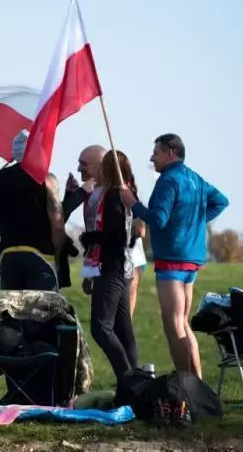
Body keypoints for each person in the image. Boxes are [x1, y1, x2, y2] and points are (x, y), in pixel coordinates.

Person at [121, 134, 229, 378]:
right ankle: (197, 383)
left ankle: (187, 385)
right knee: (183, 323)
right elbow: (221, 201)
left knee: (173, 327)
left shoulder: (168, 180)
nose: (152, 158)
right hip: (191, 259)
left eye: (156, 153)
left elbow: (158, 219)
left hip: (172, 260)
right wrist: (194, 222)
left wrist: (133, 203)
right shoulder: (195, 178)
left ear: (170, 152)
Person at [79, 150, 140, 382]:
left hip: (113, 268)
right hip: (124, 268)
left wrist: (92, 237)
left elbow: (117, 237)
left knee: (101, 327)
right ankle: (135, 382)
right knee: (123, 330)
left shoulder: (114, 195)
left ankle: (128, 378)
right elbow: (132, 235)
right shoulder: (126, 194)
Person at [65, 145, 147, 307]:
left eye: (84, 164)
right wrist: (89, 271)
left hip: (126, 263)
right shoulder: (90, 192)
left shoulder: (121, 190)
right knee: (104, 315)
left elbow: (140, 229)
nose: (79, 169)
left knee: (113, 318)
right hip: (102, 264)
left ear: (100, 165)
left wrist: (110, 237)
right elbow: (92, 229)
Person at [0, 131, 65, 291]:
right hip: (39, 254)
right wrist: (58, 255)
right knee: (43, 306)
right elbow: (57, 222)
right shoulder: (46, 179)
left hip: (8, 255)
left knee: (13, 306)